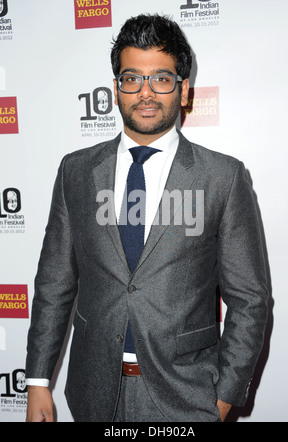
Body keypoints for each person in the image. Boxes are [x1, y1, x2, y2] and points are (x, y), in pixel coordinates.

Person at [25, 14, 268, 423]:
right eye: (132, 78)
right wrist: (36, 382)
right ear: (116, 88)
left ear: (183, 89)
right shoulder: (76, 172)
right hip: (91, 392)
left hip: (187, 398)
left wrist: (223, 398)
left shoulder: (223, 177)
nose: (146, 93)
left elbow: (250, 300)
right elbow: (54, 284)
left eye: (161, 79)